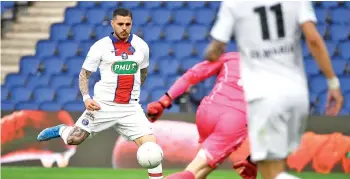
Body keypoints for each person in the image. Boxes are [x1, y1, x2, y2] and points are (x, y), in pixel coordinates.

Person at [205, 1, 344, 179]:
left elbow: (216, 48)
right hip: (296, 94)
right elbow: (314, 39)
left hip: (264, 96)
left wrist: (211, 53)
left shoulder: (234, 3)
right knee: (278, 165)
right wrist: (333, 82)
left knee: (270, 172)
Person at [37, 8, 164, 179]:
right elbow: (84, 74)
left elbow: (144, 71)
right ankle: (61, 130)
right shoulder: (100, 46)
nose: (124, 28)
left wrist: (134, 90)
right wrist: (86, 98)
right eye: (120, 24)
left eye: (128, 24)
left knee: (152, 149)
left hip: (130, 108)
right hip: (103, 105)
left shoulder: (141, 46)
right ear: (112, 23)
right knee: (74, 139)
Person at [147, 52, 257, 179]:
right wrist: (253, 159)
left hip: (208, 111)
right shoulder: (275, 71)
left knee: (203, 170)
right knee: (195, 170)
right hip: (233, 121)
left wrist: (164, 100)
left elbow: (192, 75)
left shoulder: (231, 56)